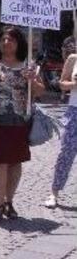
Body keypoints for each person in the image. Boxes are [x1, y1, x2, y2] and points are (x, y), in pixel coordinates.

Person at [0, 27, 44, 222]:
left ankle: (9, 202)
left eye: (11, 39)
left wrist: (32, 81)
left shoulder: (30, 66)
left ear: (19, 43)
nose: (6, 43)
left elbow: (39, 92)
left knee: (15, 162)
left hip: (20, 122)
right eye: (3, 39)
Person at [49, 51, 77, 208]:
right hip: (75, 110)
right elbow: (61, 84)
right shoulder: (73, 59)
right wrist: (73, 85)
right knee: (66, 152)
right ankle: (54, 192)